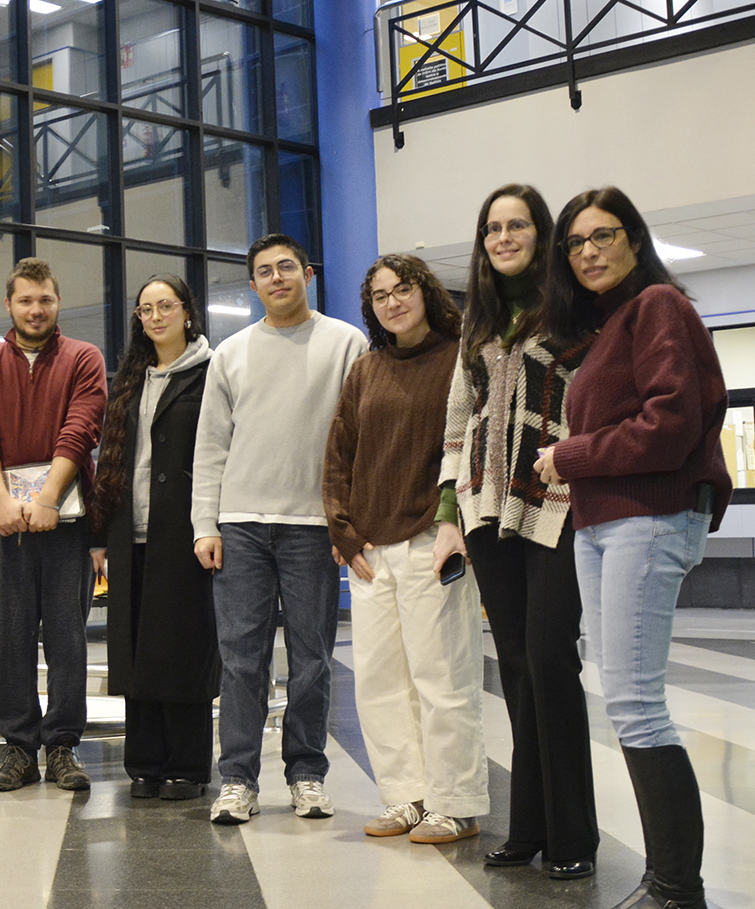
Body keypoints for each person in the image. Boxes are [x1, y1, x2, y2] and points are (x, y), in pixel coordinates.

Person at [537, 187, 731, 909]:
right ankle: (666, 884)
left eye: (603, 235)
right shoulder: (613, 323)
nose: (588, 251)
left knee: (637, 703)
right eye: (575, 242)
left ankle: (678, 896)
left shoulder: (658, 306)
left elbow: (669, 422)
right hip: (607, 522)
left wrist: (571, 454)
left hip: (646, 518)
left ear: (634, 239)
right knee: (627, 699)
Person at [432, 184, 599, 879]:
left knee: (551, 660)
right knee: (519, 668)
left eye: (517, 226)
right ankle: (528, 826)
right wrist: (449, 516)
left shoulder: (572, 310)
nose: (503, 238)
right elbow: (457, 421)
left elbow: (594, 402)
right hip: (486, 510)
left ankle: (573, 836)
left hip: (556, 504)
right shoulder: (477, 322)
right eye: (492, 228)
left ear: (541, 234)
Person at [192, 233, 368, 825]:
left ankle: (307, 774)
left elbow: (359, 441)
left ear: (307, 274)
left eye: (286, 267)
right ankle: (237, 780)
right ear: (253, 285)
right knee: (241, 660)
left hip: (312, 526)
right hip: (240, 525)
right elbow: (211, 446)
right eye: (264, 271)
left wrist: (348, 522)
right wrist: (204, 524)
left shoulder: (347, 343)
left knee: (313, 658)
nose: (277, 278)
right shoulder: (231, 353)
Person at [324, 255, 488, 845]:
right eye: (380, 295)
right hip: (372, 549)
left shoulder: (461, 360)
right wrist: (342, 530)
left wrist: (455, 523)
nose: (392, 302)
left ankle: (456, 803)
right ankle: (407, 796)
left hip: (431, 539)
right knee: (379, 682)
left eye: (403, 289)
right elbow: (339, 455)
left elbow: (472, 447)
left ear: (426, 293)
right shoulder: (366, 370)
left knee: (442, 678)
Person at [0, 257, 107, 793]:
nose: (35, 309)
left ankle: (63, 744)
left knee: (67, 636)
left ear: (57, 302)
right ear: (9, 305)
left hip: (68, 522)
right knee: (10, 636)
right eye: (25, 300)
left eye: (45, 299)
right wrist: (0, 501)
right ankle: (18, 747)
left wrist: (48, 499)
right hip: (3, 524)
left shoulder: (84, 358)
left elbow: (81, 429)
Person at [88, 275, 216, 801]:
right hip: (129, 532)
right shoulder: (130, 378)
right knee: (135, 648)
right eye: (146, 309)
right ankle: (144, 764)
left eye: (166, 306)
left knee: (182, 647)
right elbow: (110, 455)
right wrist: (100, 533)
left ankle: (187, 766)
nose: (156, 316)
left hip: (185, 530)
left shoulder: (211, 371)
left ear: (186, 311)